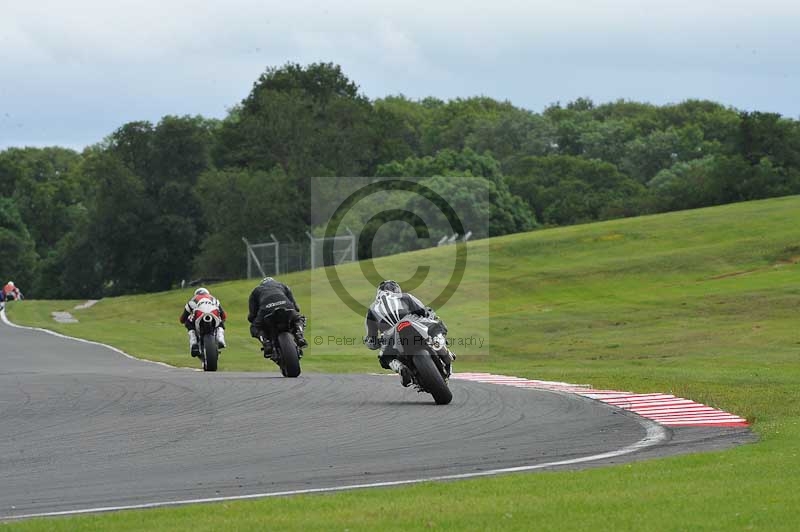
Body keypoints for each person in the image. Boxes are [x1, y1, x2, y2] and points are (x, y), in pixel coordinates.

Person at [363, 279, 454, 387]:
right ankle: (439, 346)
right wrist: (430, 316)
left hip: (391, 334)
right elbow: (423, 311)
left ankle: (400, 368)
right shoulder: (405, 296)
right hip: (411, 322)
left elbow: (371, 339)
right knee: (436, 324)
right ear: (396, 290)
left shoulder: (372, 309)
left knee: (385, 357)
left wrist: (376, 342)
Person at [247, 277, 307, 356]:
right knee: (298, 319)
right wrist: (295, 311)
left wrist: (254, 320)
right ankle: (299, 336)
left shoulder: (256, 291)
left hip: (266, 310)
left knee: (254, 327)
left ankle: (266, 343)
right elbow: (296, 307)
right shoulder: (282, 285)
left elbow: (252, 315)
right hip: (286, 306)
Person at [179, 287, 227, 357]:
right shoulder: (214, 299)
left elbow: (183, 318)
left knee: (188, 322)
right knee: (220, 322)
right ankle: (220, 338)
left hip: (199, 315)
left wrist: (184, 321)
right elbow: (224, 315)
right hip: (214, 313)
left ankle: (194, 342)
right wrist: (222, 320)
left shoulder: (192, 300)